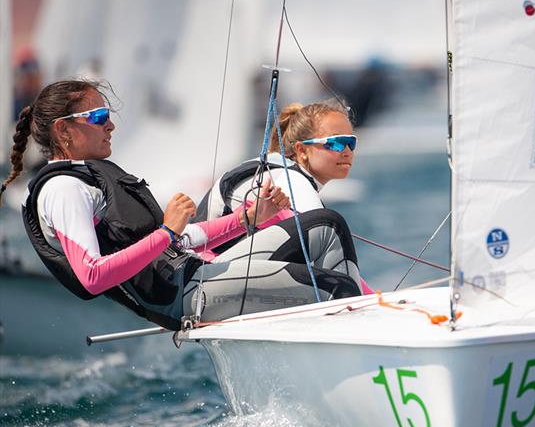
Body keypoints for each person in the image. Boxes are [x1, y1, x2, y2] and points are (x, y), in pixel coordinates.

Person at [2, 80, 363, 331]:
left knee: (324, 225)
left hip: (196, 273)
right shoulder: (64, 189)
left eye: (107, 115)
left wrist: (248, 218)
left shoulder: (93, 177)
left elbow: (183, 240)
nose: (110, 125)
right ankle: (359, 337)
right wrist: (165, 231)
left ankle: (365, 312)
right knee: (335, 289)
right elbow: (92, 277)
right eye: (98, 118)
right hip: (186, 296)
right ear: (64, 132)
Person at [195, 101, 373, 294]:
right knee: (330, 227)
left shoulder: (280, 172)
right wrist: (372, 300)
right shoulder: (290, 179)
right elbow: (325, 251)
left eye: (350, 143)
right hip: (206, 283)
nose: (347, 152)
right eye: (336, 143)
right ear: (302, 150)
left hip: (208, 278)